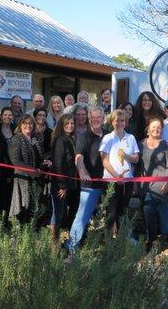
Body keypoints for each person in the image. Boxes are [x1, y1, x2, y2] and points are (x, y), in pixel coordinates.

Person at [66, 107, 106, 253]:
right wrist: (82, 170)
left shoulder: (109, 135)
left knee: (113, 215)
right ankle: (72, 248)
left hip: (109, 183)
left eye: (99, 117)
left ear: (103, 119)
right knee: (82, 216)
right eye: (93, 117)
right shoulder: (84, 137)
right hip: (90, 183)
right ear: (90, 119)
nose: (96, 120)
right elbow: (79, 157)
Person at [99, 109, 140, 233]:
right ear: (112, 122)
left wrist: (126, 156)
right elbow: (104, 161)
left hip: (127, 181)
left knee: (123, 211)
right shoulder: (107, 138)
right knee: (111, 213)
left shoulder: (131, 138)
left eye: (122, 120)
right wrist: (117, 177)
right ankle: (108, 241)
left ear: (125, 122)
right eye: (116, 120)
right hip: (111, 180)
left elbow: (136, 159)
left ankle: (121, 240)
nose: (119, 123)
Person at [138, 117, 168, 250]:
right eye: (153, 127)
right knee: (151, 210)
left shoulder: (165, 145)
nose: (156, 129)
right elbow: (137, 164)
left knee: (148, 208)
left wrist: (167, 182)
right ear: (148, 130)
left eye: (159, 127)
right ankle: (162, 236)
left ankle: (151, 240)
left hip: (160, 183)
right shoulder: (140, 144)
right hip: (143, 185)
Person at [8, 115, 44, 223]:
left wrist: (44, 163)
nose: (28, 126)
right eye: (25, 123)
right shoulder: (16, 139)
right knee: (23, 206)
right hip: (22, 179)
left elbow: (38, 157)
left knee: (33, 207)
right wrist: (32, 171)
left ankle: (31, 231)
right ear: (20, 125)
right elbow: (15, 161)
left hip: (35, 179)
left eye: (30, 123)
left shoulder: (34, 139)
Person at [50, 113, 79, 243]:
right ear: (62, 125)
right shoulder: (60, 140)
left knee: (67, 213)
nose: (70, 125)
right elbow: (58, 163)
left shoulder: (72, 138)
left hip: (72, 183)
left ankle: (66, 240)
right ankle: (54, 243)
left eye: (72, 123)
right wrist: (62, 185)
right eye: (67, 123)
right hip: (61, 184)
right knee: (58, 214)